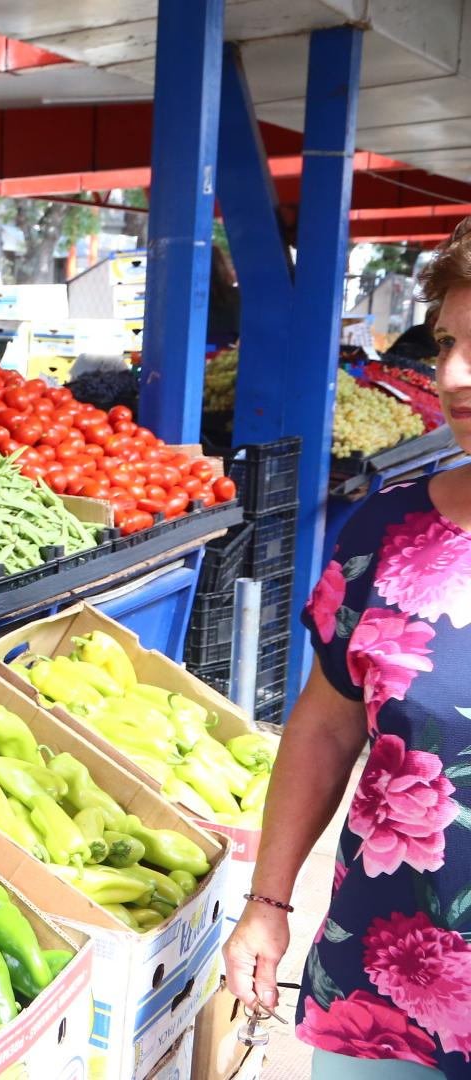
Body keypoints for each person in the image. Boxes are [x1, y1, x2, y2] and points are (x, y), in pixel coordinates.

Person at [222, 213, 471, 1078]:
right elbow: (327, 725)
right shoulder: (388, 529)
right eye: (446, 343)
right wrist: (267, 901)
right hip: (385, 994)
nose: (453, 375)